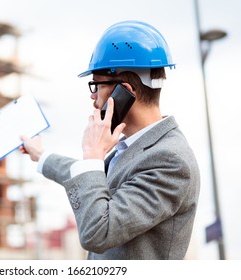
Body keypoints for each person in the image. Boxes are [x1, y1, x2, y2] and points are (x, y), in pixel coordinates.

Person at [20, 20, 200, 260]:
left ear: (124, 90)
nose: (93, 96)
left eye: (95, 85)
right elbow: (89, 177)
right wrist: (40, 156)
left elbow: (99, 233)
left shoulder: (170, 161)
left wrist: (93, 155)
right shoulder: (132, 147)